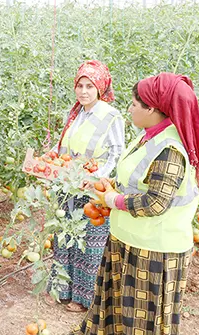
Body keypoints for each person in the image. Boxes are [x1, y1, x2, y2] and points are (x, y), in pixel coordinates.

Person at [56, 73, 199, 335]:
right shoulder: (148, 135)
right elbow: (135, 179)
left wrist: (114, 201)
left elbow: (155, 203)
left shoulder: (170, 151)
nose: (130, 108)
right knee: (121, 300)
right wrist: (112, 185)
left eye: (135, 103)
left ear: (153, 109)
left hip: (157, 245)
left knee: (146, 312)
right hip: (129, 235)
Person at [47, 60, 125, 312]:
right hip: (68, 184)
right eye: (80, 85)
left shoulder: (111, 116)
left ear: (100, 88)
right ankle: (62, 289)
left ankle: (84, 297)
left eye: (89, 86)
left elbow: (115, 154)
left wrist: (96, 177)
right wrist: (50, 159)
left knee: (89, 243)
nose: (83, 91)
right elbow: (65, 149)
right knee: (65, 236)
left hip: (91, 190)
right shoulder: (76, 113)